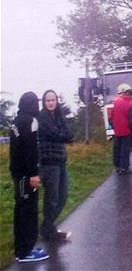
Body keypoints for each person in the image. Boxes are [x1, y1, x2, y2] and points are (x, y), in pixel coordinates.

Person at [10, 92, 50, 263]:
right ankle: (26, 252)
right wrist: (34, 173)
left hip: (17, 173)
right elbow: (30, 149)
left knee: (20, 211)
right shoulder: (31, 121)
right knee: (28, 211)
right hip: (27, 175)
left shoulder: (16, 121)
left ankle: (21, 248)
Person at [37, 89, 73, 242]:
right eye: (48, 100)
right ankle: (49, 230)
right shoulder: (42, 117)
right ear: (44, 103)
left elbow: (68, 135)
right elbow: (56, 134)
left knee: (63, 196)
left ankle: (47, 226)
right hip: (49, 163)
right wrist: (63, 136)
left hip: (60, 161)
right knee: (52, 198)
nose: (51, 103)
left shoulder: (59, 116)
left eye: (53, 100)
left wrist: (63, 136)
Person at [112, 84, 132, 174]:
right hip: (126, 131)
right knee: (125, 150)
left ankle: (117, 166)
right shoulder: (130, 105)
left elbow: (112, 116)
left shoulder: (115, 102)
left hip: (117, 131)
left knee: (117, 149)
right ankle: (124, 168)